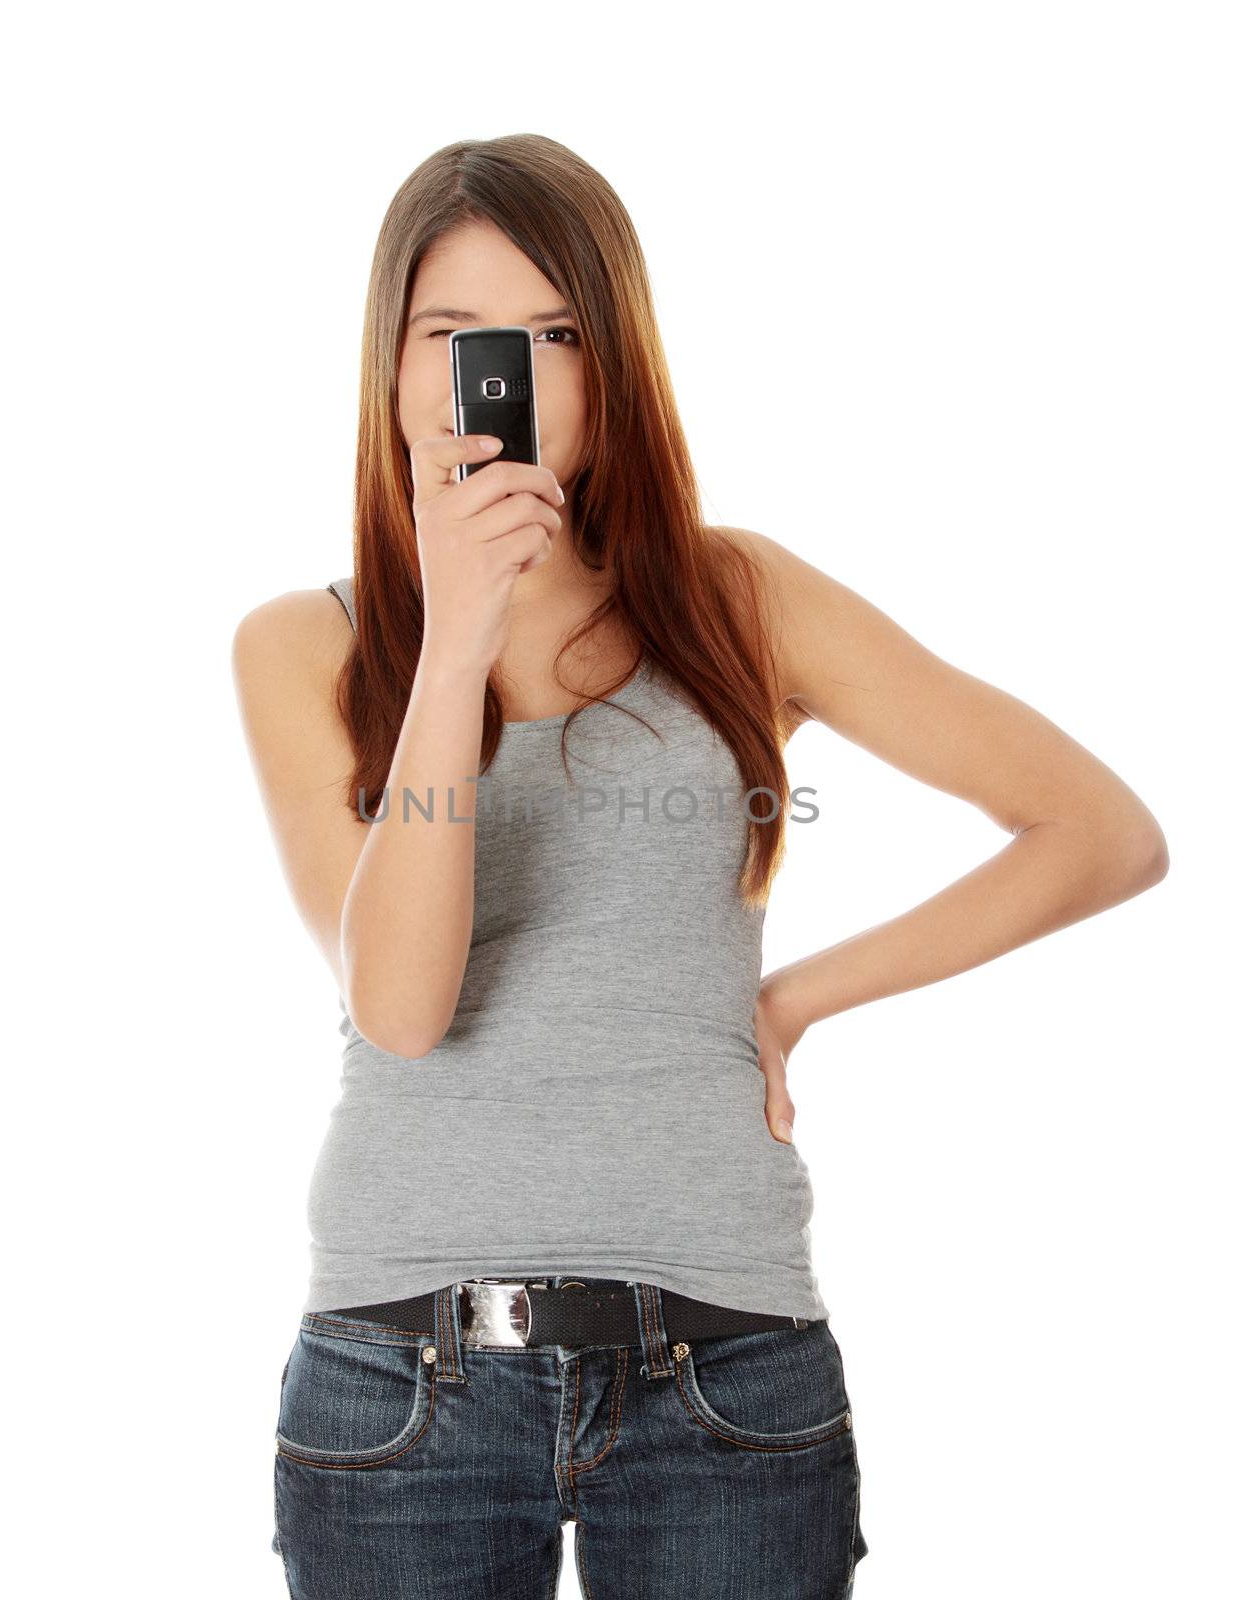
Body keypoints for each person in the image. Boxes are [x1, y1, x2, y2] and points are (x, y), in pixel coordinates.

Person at [232, 134, 1168, 1600]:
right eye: (457, 334)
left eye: (555, 333)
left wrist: (791, 1001)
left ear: (615, 359)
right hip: (399, 1379)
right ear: (399, 367)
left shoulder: (741, 598)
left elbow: (1099, 831)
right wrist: (457, 640)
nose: (511, 375)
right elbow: (403, 1009)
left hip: (724, 1368)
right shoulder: (306, 644)